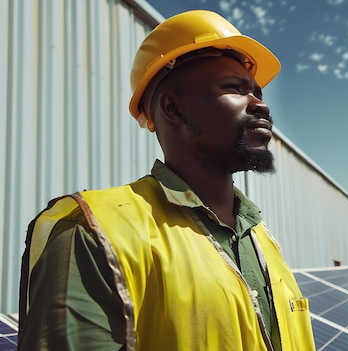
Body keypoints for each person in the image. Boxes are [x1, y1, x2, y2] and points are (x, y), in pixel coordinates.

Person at [18, 10, 315, 351]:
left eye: (258, 93)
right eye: (236, 89)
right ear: (173, 108)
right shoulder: (93, 233)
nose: (260, 105)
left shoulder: (263, 241)